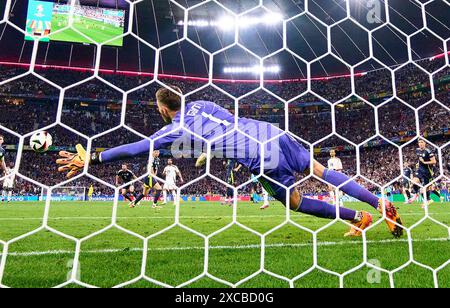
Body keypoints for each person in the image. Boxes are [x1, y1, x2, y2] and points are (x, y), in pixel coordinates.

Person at [56, 86, 404, 238]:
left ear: (164, 109)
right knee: (321, 171)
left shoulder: (175, 127)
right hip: (271, 131)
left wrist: (95, 158)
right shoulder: (203, 104)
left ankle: (358, 217)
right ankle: (377, 203)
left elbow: (137, 148)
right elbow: (226, 127)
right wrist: (213, 148)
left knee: (294, 201)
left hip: (260, 157)